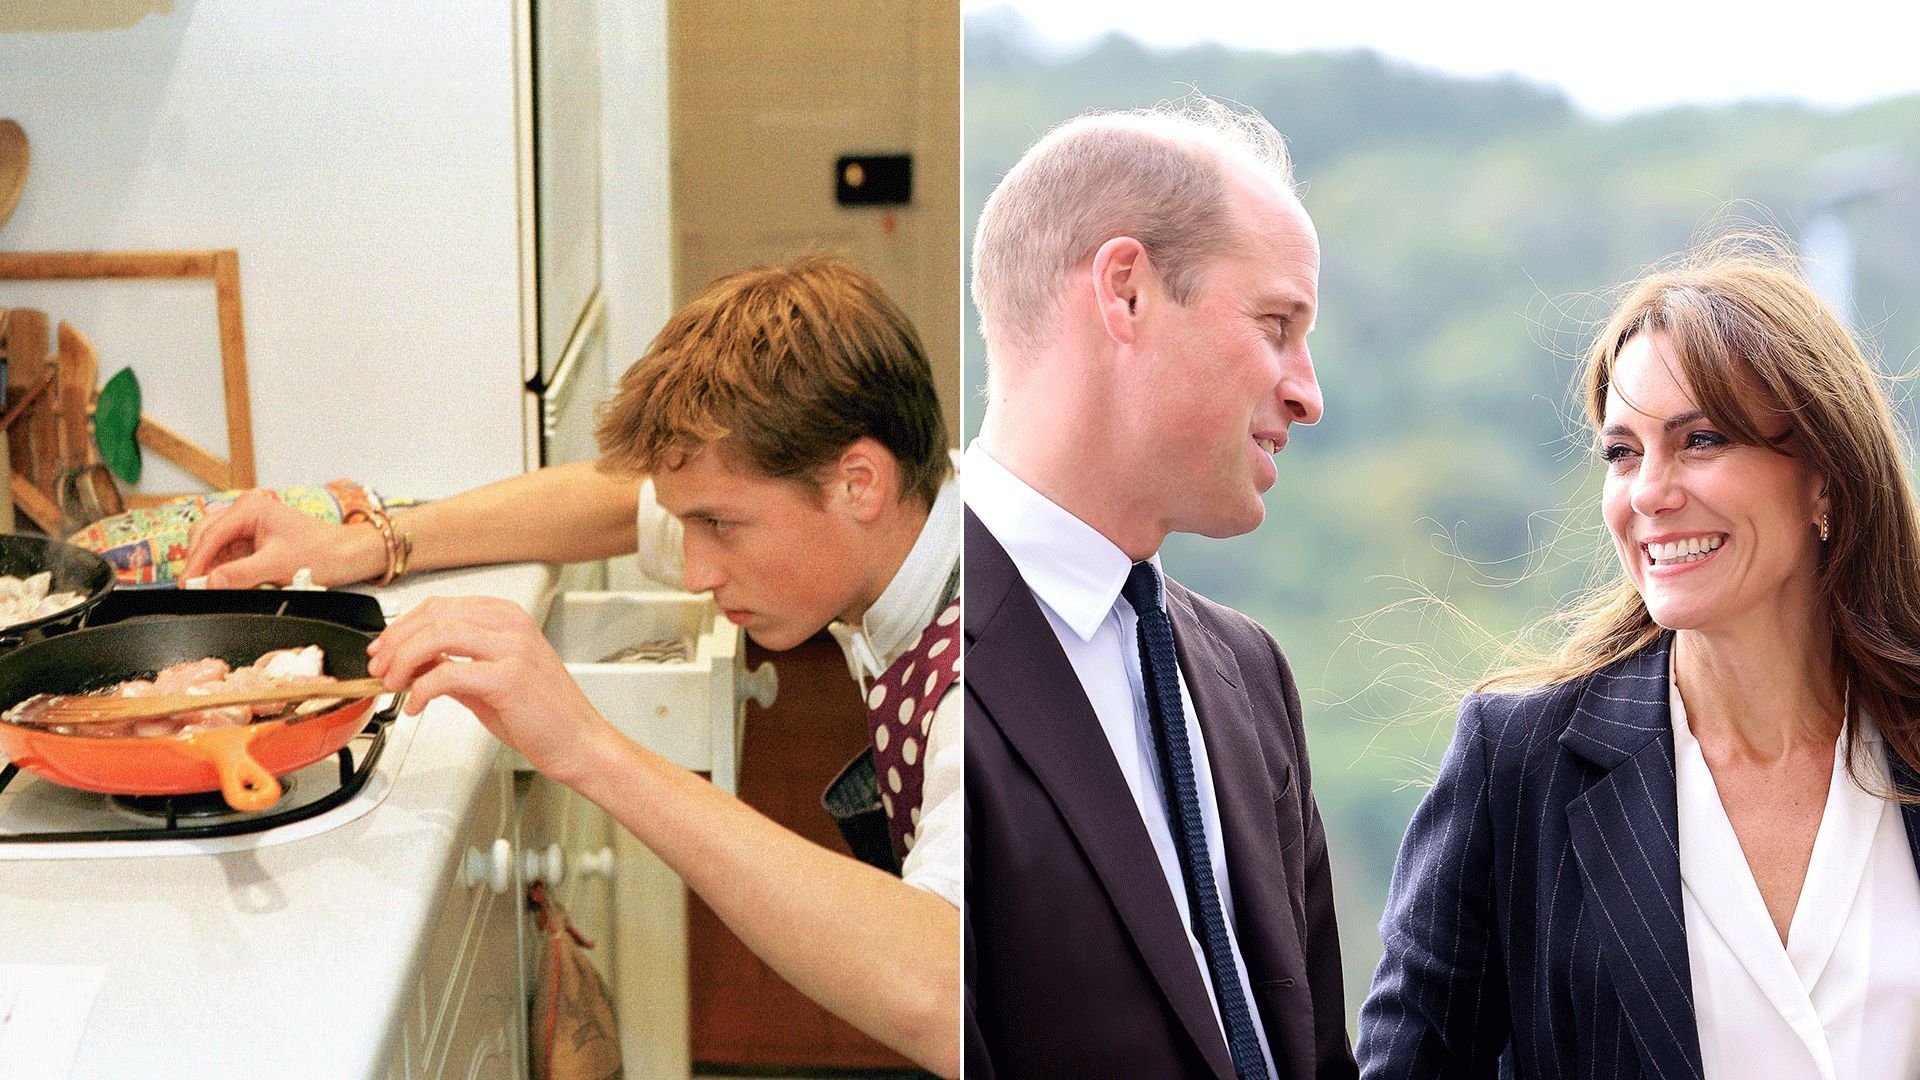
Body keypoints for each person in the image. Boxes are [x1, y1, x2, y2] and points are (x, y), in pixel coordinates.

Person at [183, 257, 962, 1077]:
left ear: (858, 483)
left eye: (722, 526)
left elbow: (946, 994)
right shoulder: (913, 523)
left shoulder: (1003, 672)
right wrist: (373, 541)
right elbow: (615, 501)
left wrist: (587, 747)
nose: (695, 570)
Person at [1357, 238, 1920, 1079]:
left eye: (1700, 440)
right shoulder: (1516, 766)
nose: (1649, 492)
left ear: (1826, 481)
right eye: (1622, 452)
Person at [964, 98, 1355, 1079]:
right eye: (1275, 324)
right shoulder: (915, 661)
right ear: (1126, 294)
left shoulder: (1247, 669)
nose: (1308, 391)